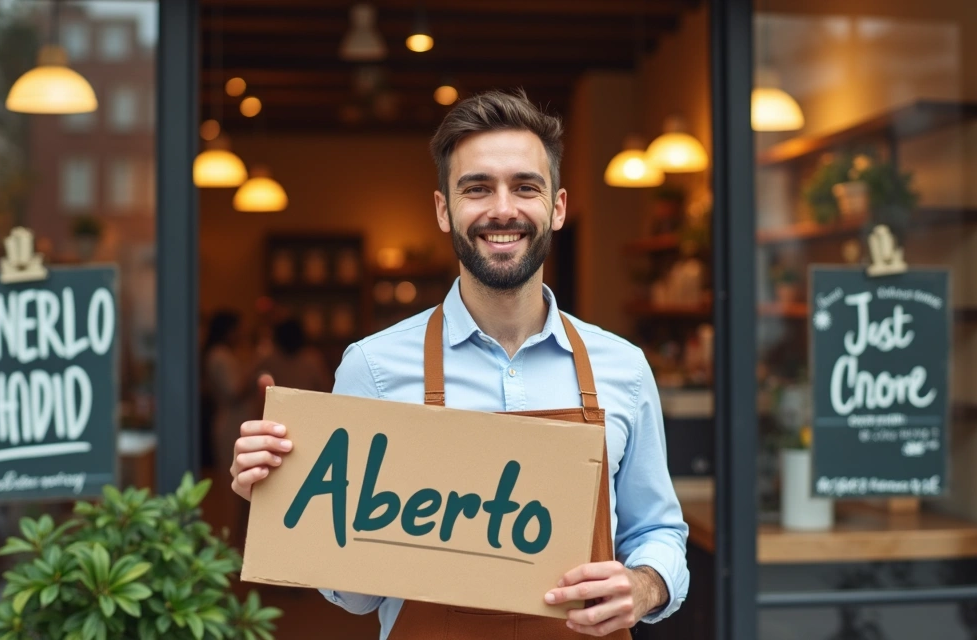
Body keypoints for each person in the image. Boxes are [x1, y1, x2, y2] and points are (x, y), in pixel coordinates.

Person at [229, 89, 689, 639]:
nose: (502, 209)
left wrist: (645, 586)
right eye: (477, 188)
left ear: (558, 207)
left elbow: (658, 528)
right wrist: (289, 494)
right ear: (444, 209)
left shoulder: (625, 369)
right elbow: (356, 598)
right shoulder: (372, 369)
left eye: (525, 187)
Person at [201, 310, 255, 474]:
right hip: (231, 423)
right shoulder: (220, 355)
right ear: (229, 330)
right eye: (238, 329)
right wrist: (255, 369)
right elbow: (234, 391)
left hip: (234, 422)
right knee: (235, 480)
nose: (241, 333)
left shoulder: (225, 354)